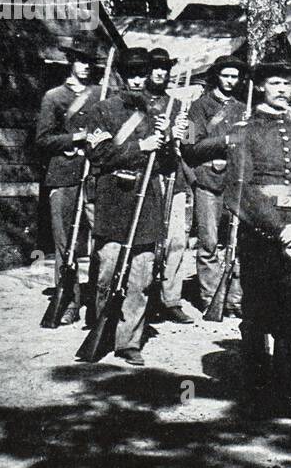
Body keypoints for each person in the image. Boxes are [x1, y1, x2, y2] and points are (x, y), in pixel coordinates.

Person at [188, 57, 291, 418]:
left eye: (289, 85)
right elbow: (239, 189)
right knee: (256, 314)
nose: (284, 90)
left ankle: (286, 394)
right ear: (262, 87)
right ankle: (255, 393)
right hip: (261, 235)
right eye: (276, 84)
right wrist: (277, 227)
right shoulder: (244, 129)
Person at [83, 48, 188, 366]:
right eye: (131, 74)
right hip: (114, 198)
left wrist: (173, 142)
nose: (137, 80)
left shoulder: (159, 114)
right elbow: (97, 155)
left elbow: (168, 164)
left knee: (141, 274)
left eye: (141, 74)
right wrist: (139, 147)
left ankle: (129, 341)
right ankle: (105, 328)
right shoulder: (102, 110)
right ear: (121, 76)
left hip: (148, 200)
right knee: (109, 270)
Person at [35, 41, 99, 325]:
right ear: (71, 62)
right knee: (66, 244)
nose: (86, 66)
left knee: (101, 239)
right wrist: (76, 138)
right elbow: (43, 140)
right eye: (81, 60)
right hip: (63, 175)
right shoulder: (54, 97)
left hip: (96, 175)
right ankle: (69, 302)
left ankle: (99, 302)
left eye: (89, 61)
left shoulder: (100, 93)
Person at [181, 54, 248, 317]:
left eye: (235, 76)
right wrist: (228, 139)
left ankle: (235, 299)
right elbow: (188, 145)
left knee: (236, 242)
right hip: (208, 180)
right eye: (226, 75)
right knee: (208, 242)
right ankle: (211, 298)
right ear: (216, 77)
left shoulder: (245, 108)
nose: (231, 81)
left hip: (237, 183)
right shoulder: (196, 107)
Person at [143, 47, 193, 323]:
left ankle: (171, 299)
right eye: (155, 67)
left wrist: (182, 132)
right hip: (147, 180)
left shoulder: (176, 104)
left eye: (165, 67)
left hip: (173, 178)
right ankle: (145, 296)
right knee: (149, 241)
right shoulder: (137, 102)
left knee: (175, 240)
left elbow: (189, 141)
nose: (160, 72)